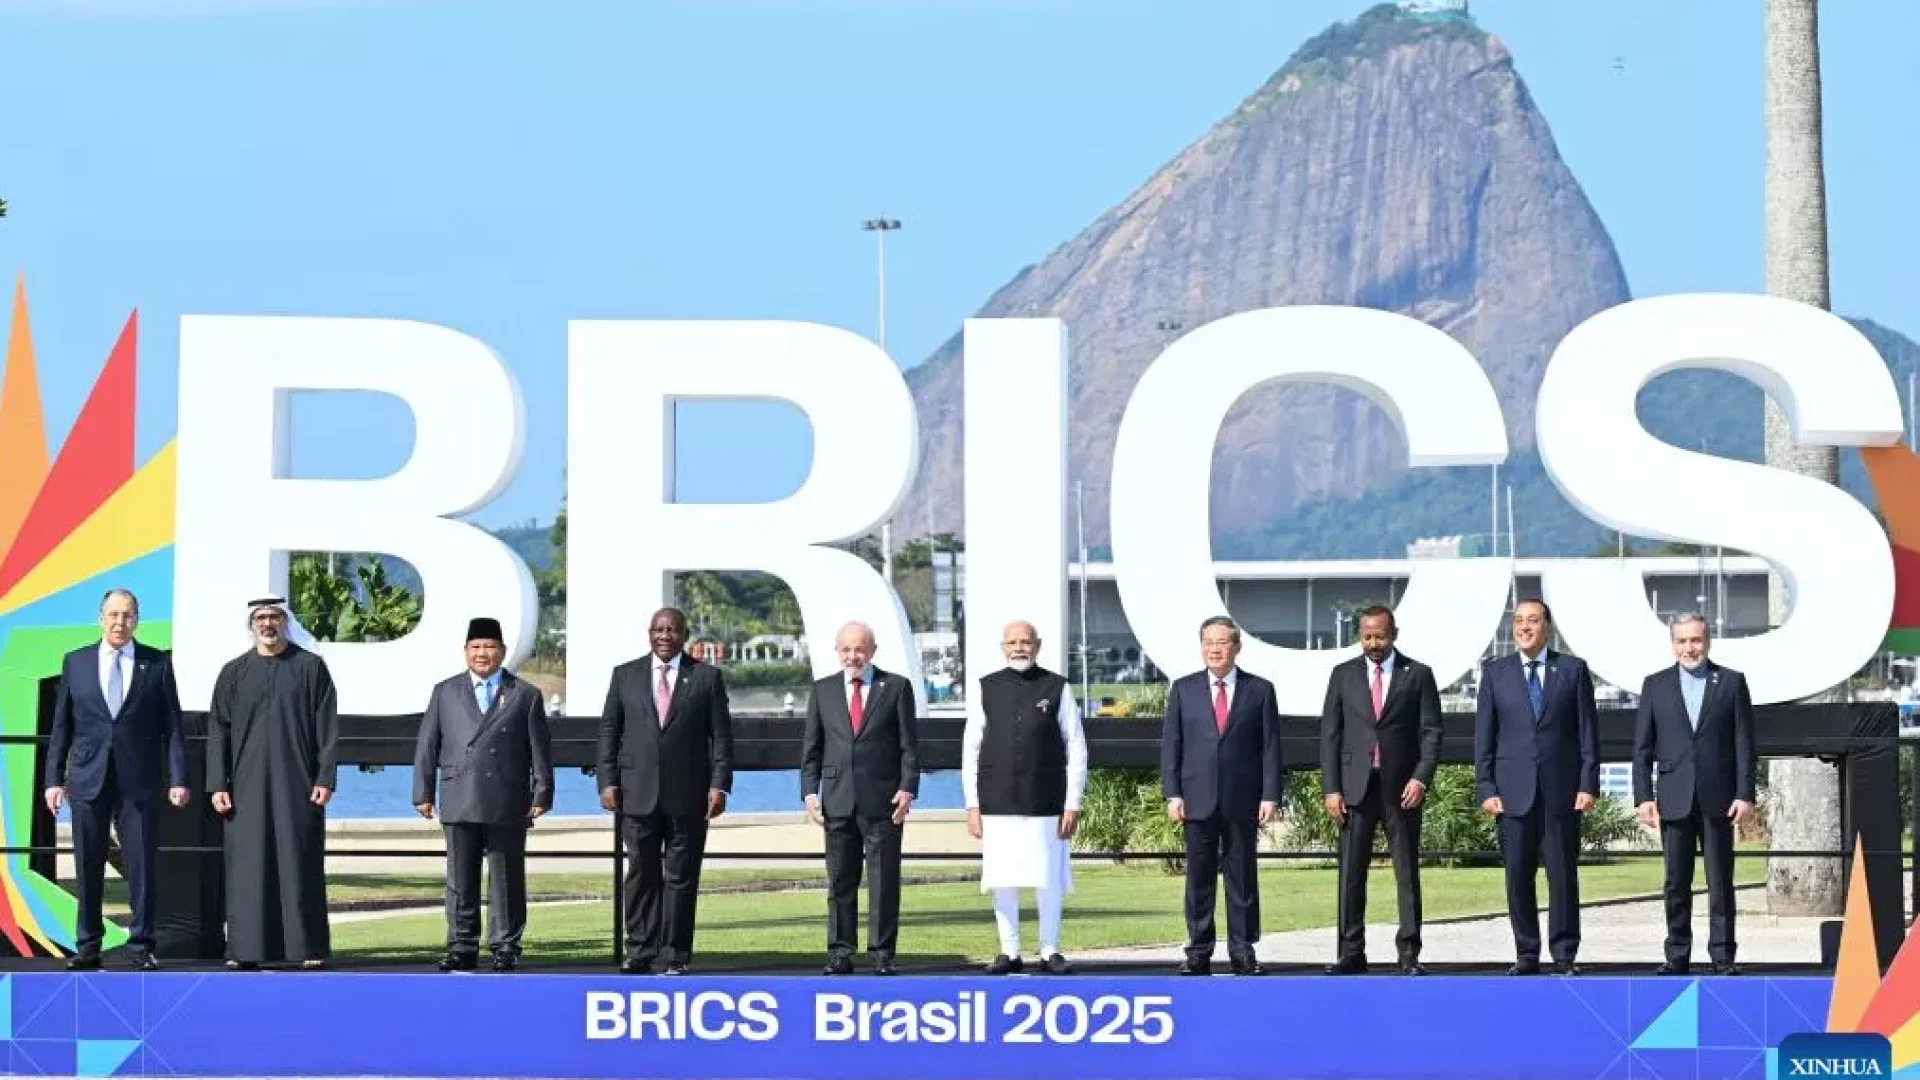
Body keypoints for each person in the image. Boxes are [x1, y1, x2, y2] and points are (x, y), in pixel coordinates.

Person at [43, 588, 189, 970]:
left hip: (139, 780)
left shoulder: (157, 663)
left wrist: (178, 778)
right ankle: (88, 946)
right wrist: (53, 780)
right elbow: (61, 726)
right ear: (101, 618)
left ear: (136, 620)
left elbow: (173, 727)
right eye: (113, 614)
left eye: (127, 615)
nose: (119, 622)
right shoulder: (75, 662)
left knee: (141, 866)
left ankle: (141, 946)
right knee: (87, 864)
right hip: (87, 779)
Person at [413, 616, 555, 972]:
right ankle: (462, 946)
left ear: (502, 651)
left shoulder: (525, 695)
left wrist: (542, 793)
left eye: (489, 647)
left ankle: (506, 946)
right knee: (460, 879)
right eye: (475, 647)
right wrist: (422, 792)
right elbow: (428, 745)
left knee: (506, 878)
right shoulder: (445, 692)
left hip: (507, 797)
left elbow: (540, 750)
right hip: (459, 793)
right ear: (465, 651)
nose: (482, 653)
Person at [596, 607, 733, 975]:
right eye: (658, 629)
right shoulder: (625, 675)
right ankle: (639, 950)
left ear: (684, 635)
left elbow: (721, 737)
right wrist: (607, 781)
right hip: (635, 793)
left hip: (689, 796)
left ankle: (675, 954)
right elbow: (609, 731)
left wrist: (719, 786)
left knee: (681, 876)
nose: (664, 636)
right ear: (649, 633)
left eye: (672, 630)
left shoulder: (706, 678)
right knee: (641, 873)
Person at [206, 596, 340, 970]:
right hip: (245, 788)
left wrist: (325, 777)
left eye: (274, 617)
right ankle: (244, 950)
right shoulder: (233, 673)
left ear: (286, 622)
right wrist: (218, 784)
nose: (267, 624)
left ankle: (307, 947)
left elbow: (327, 729)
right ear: (251, 625)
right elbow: (218, 731)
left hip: (299, 784)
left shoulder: (311, 668)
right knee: (248, 867)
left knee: (299, 861)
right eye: (261, 618)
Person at [1473, 598, 1600, 976]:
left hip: (1562, 793)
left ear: (1548, 627)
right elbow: (1484, 738)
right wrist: (1486, 788)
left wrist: (1588, 783)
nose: (1524, 627)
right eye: (1518, 621)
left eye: (1532, 620)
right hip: (1511, 795)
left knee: (1562, 877)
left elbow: (1587, 733)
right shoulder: (1495, 673)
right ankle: (1526, 953)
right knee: (1517, 876)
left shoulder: (1573, 670)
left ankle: (1564, 954)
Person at [1318, 604, 1443, 976]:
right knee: (1351, 874)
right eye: (1367, 637)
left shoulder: (1418, 675)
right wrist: (1331, 789)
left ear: (1394, 635)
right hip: (1354, 790)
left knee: (1406, 873)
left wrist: (1420, 778)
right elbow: (1330, 735)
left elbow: (1431, 733)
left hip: (1401, 790)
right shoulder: (1343, 674)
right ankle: (1350, 952)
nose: (1373, 643)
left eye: (1380, 636)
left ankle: (1409, 953)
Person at [1632, 613, 1756, 976]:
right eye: (1682, 641)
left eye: (1696, 640)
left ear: (1708, 641)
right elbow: (1642, 749)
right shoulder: (1655, 685)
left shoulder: (1731, 682)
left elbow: (1744, 744)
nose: (1690, 648)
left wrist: (1744, 794)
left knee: (1720, 881)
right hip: (1674, 798)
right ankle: (1677, 954)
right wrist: (1644, 797)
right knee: (1675, 882)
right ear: (1673, 645)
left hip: (1720, 799)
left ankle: (1723, 956)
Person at [963, 620, 1087, 975]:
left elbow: (1076, 747)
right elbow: (971, 749)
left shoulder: (1057, 687)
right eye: (1013, 642)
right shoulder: (986, 687)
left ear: (1038, 645)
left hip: (1046, 799)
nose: (1019, 648)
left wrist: (1072, 803)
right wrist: (972, 804)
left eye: (1026, 642)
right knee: (1003, 879)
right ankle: (1009, 950)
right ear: (1003, 647)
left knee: (1048, 879)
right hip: (996, 800)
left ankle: (1050, 950)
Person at [1160, 616, 1281, 976]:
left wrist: (1270, 794)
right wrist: (1172, 793)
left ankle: (1243, 951)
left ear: (1237, 647)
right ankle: (1198, 951)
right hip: (1196, 799)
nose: (1214, 649)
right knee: (1198, 880)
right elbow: (1172, 745)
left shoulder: (1260, 690)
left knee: (1242, 879)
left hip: (1243, 800)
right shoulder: (1184, 689)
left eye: (1222, 642)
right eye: (1208, 642)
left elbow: (1270, 748)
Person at [801, 621, 920, 975]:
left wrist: (907, 788)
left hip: (884, 802)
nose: (853, 656)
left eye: (859, 649)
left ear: (872, 651)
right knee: (840, 881)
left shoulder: (895, 687)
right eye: (846, 649)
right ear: (837, 651)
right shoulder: (822, 690)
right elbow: (812, 748)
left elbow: (909, 747)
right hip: (837, 801)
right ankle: (840, 952)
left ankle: (882, 954)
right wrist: (810, 792)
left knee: (884, 883)